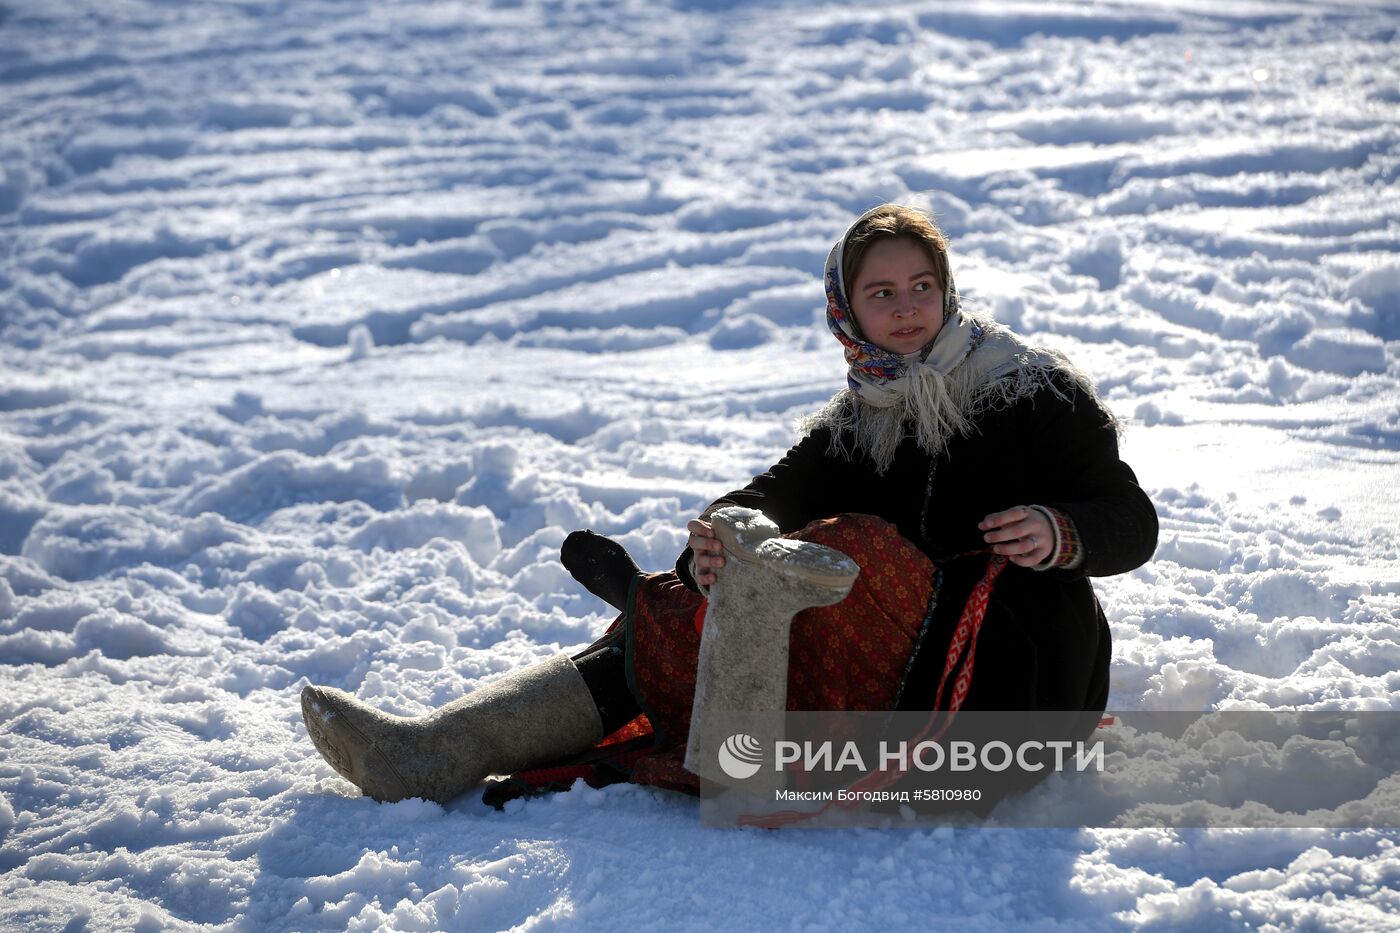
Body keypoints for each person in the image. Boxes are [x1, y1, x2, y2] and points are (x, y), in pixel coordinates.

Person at [300, 203, 1158, 808]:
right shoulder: (859, 419)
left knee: (851, 544)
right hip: (881, 659)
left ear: (948, 288)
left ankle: (695, 668)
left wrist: (1061, 531)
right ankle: (436, 749)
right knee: (723, 584)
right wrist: (716, 539)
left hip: (1009, 677)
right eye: (881, 294)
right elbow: (767, 493)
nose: (907, 310)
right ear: (846, 310)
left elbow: (1131, 518)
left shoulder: (1028, 391)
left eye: (921, 286)